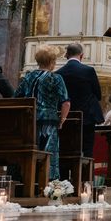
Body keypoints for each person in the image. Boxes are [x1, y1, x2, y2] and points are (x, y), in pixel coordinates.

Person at [15, 45, 70, 180]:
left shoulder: (28, 77)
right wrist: (62, 119)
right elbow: (66, 102)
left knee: (30, 151)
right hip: (49, 121)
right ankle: (47, 183)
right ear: (52, 62)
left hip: (29, 120)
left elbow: (16, 97)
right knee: (48, 152)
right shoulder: (56, 78)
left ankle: (27, 180)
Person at [56, 43, 104, 158]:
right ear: (81, 55)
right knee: (87, 150)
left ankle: (64, 176)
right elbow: (98, 94)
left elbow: (58, 98)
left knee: (65, 150)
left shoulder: (58, 73)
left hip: (67, 118)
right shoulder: (89, 71)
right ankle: (85, 175)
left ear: (66, 55)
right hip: (87, 117)